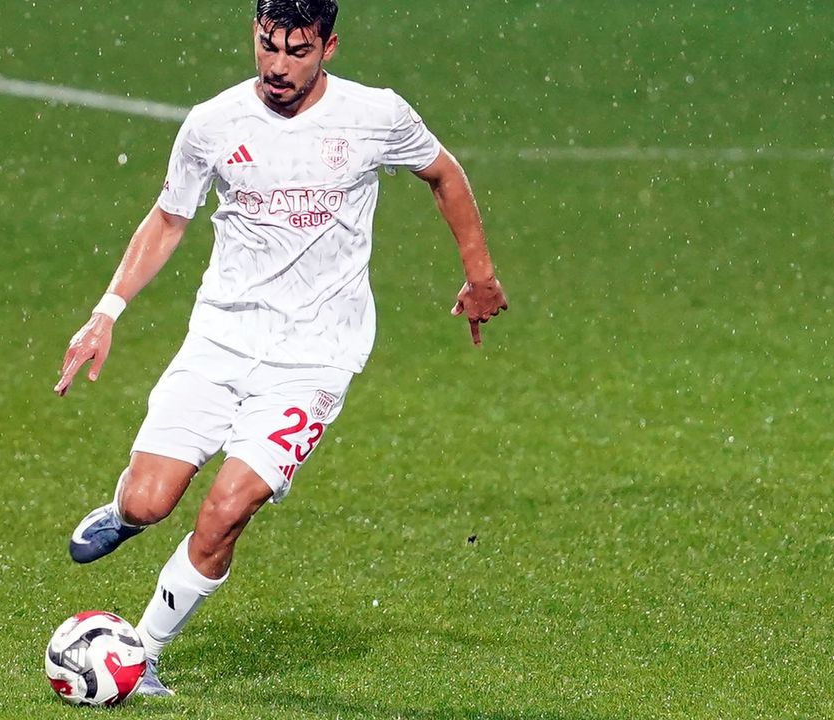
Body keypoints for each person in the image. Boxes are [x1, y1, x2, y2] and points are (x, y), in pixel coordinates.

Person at [53, 0, 508, 697]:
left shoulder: (376, 115)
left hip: (316, 356)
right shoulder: (213, 123)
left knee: (226, 511)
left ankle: (141, 655)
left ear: (329, 46)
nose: (278, 65)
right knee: (150, 503)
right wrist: (105, 312)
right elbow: (169, 219)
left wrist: (480, 277)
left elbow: (443, 173)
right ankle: (123, 515)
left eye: (298, 51)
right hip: (221, 339)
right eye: (269, 45)